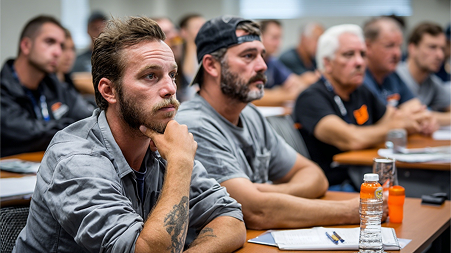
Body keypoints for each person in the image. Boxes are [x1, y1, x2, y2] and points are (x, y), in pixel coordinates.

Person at [13, 16, 245, 253]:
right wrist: (180, 163)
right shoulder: (75, 160)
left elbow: (232, 219)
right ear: (109, 90)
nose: (170, 89)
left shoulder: (166, 144)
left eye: (172, 75)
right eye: (150, 76)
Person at [175, 15, 373, 230]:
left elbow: (315, 177)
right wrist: (353, 211)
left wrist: (266, 192)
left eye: (262, 55)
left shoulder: (250, 114)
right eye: (248, 56)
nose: (262, 66)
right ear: (211, 65)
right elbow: (257, 212)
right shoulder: (193, 126)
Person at [292, 24, 418, 189]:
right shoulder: (310, 98)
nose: (359, 62)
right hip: (332, 187)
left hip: (364, 177)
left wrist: (399, 123)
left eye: (362, 54)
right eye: (349, 55)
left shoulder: (360, 90)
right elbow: (351, 139)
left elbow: (393, 117)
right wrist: (393, 127)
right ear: (327, 63)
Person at [1, 15, 94, 157]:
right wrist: (70, 125)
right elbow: (25, 133)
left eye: (61, 46)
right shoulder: (4, 88)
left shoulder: (53, 85)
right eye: (49, 42)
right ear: (26, 46)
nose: (58, 52)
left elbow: (89, 119)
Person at [363, 17, 439, 135]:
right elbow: (382, 121)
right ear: (368, 46)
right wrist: (403, 120)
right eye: (389, 46)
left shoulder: (392, 76)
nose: (397, 53)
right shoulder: (359, 78)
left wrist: (425, 119)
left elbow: (418, 111)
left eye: (399, 46)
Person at [396, 22, 450, 126]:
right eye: (432, 47)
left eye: (442, 49)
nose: (440, 55)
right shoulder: (395, 76)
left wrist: (427, 116)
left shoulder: (432, 82)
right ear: (412, 49)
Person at [253, 20, 313, 106]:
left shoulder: (272, 62)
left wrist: (273, 94)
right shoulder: (250, 63)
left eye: (280, 38)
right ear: (260, 37)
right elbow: (253, 96)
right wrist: (284, 95)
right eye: (274, 38)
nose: (278, 43)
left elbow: (298, 85)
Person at [178, 14, 205, 102]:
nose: (203, 30)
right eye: (197, 27)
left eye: (204, 26)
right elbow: (189, 76)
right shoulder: (177, 52)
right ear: (184, 32)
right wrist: (191, 43)